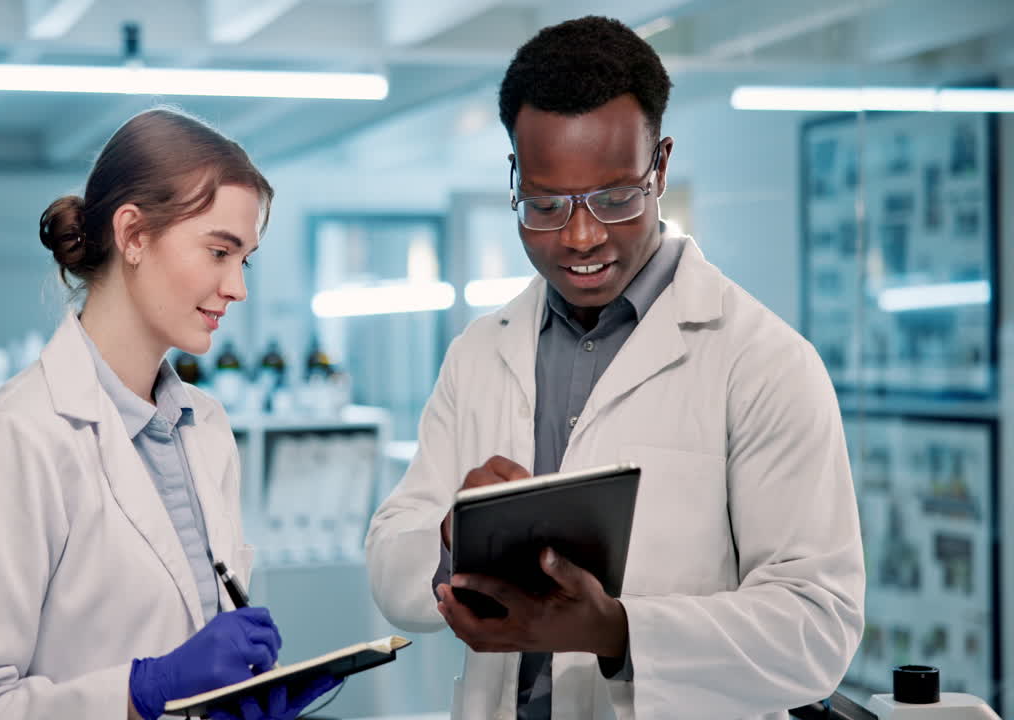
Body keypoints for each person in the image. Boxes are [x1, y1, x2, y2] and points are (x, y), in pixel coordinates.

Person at [365, 16, 864, 720]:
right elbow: (392, 564)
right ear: (514, 177)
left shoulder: (764, 363)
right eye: (543, 205)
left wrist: (616, 631)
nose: (580, 236)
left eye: (615, 199)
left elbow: (817, 628)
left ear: (658, 167)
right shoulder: (482, 351)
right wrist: (453, 534)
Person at [0, 108, 334, 720]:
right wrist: (138, 695)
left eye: (245, 260)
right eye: (219, 252)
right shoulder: (16, 438)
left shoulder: (205, 430)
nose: (238, 287)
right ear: (133, 234)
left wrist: (233, 700)